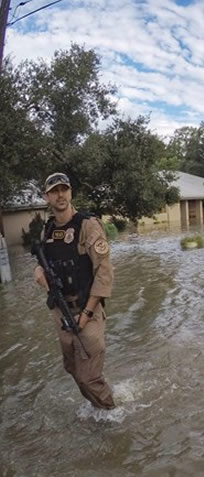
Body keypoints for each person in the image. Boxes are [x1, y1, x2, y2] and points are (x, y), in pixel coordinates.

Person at [32, 172, 116, 410]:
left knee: (89, 376)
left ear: (70, 192)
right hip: (60, 311)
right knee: (73, 369)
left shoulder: (87, 225)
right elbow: (44, 262)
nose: (60, 195)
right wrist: (38, 271)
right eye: (54, 191)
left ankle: (112, 416)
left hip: (87, 309)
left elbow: (104, 272)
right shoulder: (47, 230)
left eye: (64, 189)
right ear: (46, 196)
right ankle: (97, 408)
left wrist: (87, 314)